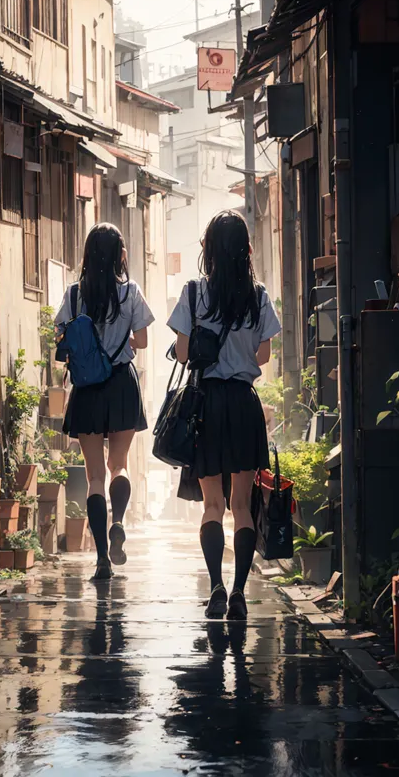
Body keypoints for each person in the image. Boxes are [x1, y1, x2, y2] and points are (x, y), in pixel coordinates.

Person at [168, 210, 281, 620]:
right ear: (247, 250)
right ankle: (238, 593)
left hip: (207, 405)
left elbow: (182, 353)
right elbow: (264, 355)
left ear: (208, 249)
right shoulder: (258, 295)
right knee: (244, 505)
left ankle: (215, 586)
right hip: (244, 405)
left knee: (212, 503)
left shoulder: (195, 293)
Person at [56, 223, 153, 581]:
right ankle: (118, 521)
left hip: (87, 388)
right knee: (120, 465)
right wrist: (121, 335)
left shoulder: (73, 295)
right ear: (120, 255)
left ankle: (100, 560)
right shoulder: (130, 293)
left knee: (94, 476)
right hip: (122, 384)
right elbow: (141, 341)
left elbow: (62, 338)